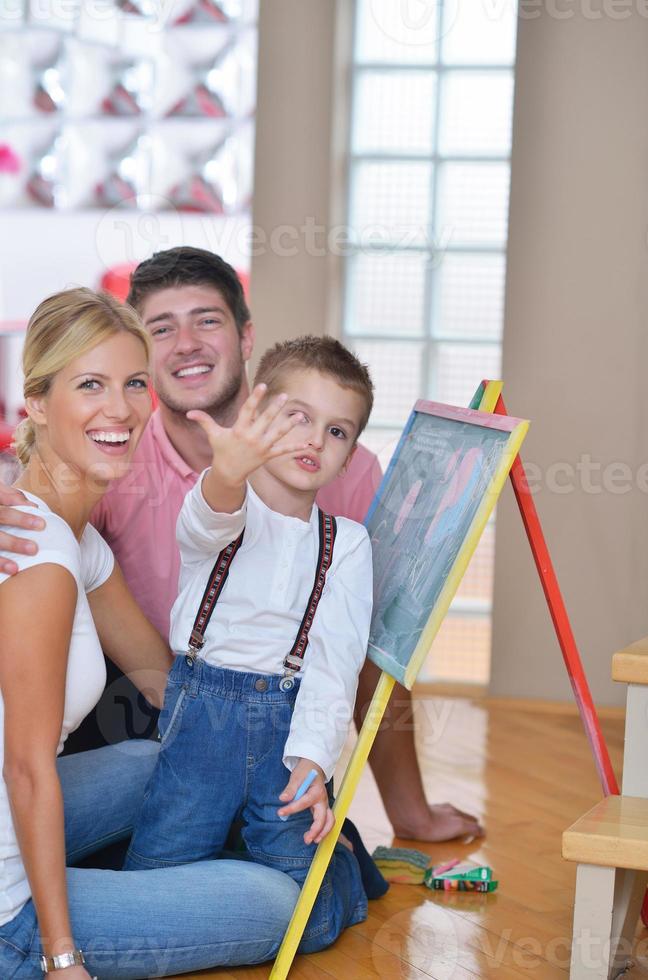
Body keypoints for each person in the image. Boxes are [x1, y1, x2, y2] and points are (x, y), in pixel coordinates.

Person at [0, 246, 482, 843]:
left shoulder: (341, 469)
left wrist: (410, 810)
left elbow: (370, 655)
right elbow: (36, 488)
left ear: (246, 336)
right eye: (161, 329)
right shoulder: (114, 450)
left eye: (206, 320)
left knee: (329, 855)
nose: (186, 344)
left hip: (271, 719)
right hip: (122, 708)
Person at [0, 288, 302, 979]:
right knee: (274, 903)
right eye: (90, 385)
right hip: (7, 909)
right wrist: (59, 955)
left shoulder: (73, 538)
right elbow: (24, 767)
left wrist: (294, 764)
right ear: (38, 404)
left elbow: (171, 689)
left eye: (135, 382)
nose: (121, 409)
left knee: (151, 761)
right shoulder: (37, 558)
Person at [125, 337, 374, 952]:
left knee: (308, 920)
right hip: (200, 723)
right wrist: (227, 471)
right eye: (297, 417)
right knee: (153, 875)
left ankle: (341, 870)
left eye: (337, 431)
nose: (315, 440)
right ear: (255, 420)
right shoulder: (223, 506)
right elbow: (210, 516)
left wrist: (314, 764)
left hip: (286, 736)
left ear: (349, 456)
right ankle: (226, 884)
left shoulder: (347, 544)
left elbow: (335, 669)